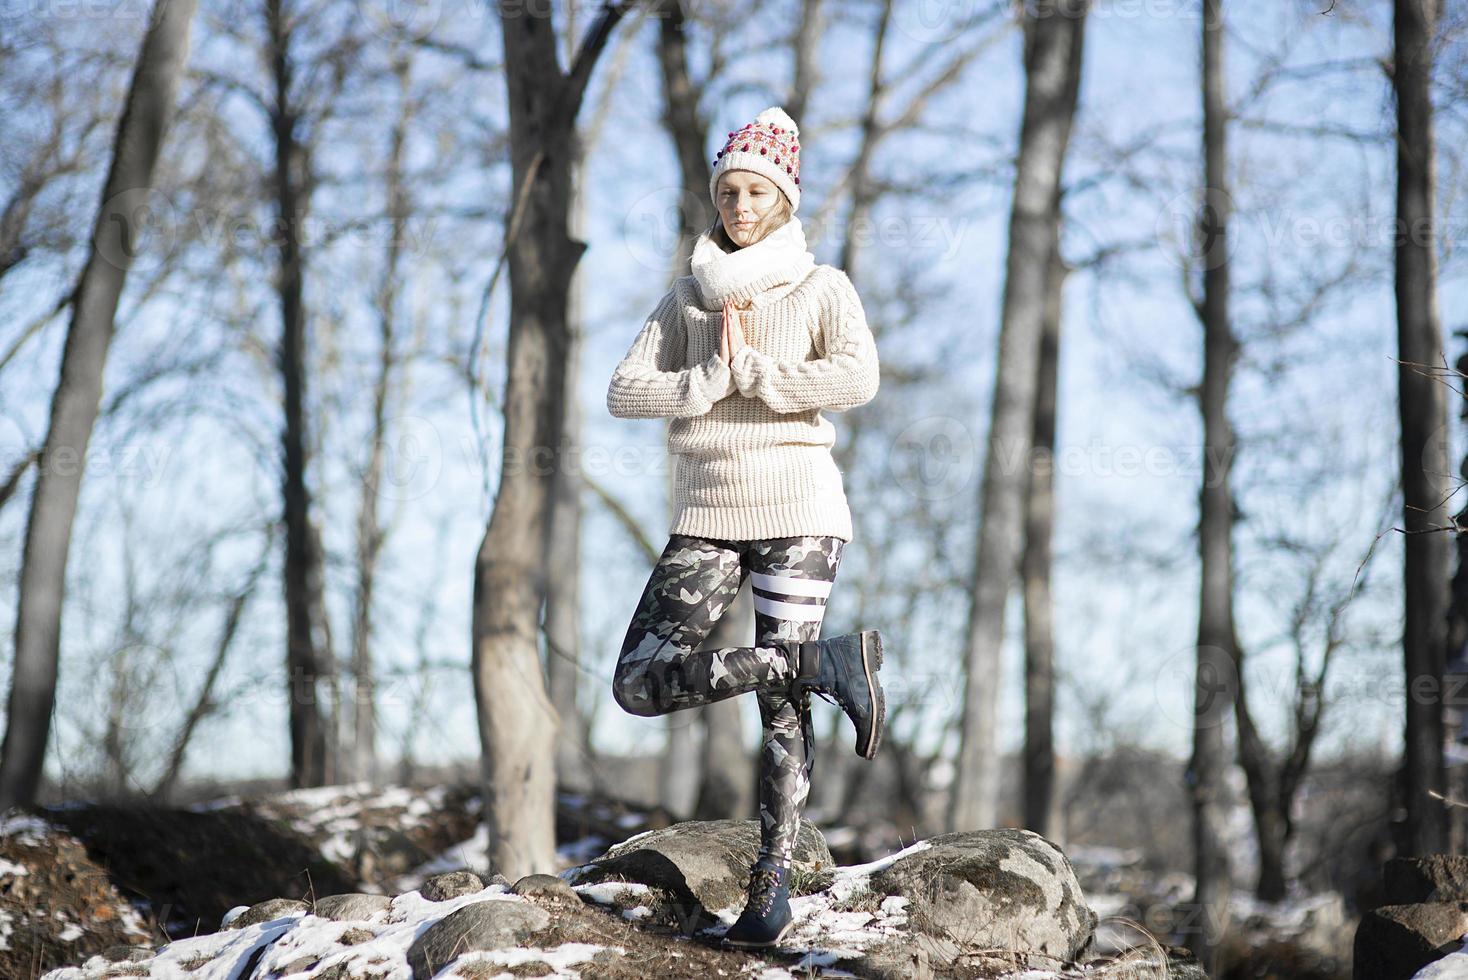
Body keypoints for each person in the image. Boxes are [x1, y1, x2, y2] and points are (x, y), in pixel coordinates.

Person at [605, 105, 885, 949]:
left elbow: (858, 375)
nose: (740, 204)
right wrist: (703, 381)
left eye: (756, 190)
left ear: (784, 199)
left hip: (798, 505)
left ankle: (771, 881)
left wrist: (759, 374)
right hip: (707, 512)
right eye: (728, 190)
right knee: (639, 681)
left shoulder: (820, 286)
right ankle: (821, 662)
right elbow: (625, 391)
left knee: (781, 710)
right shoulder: (686, 298)